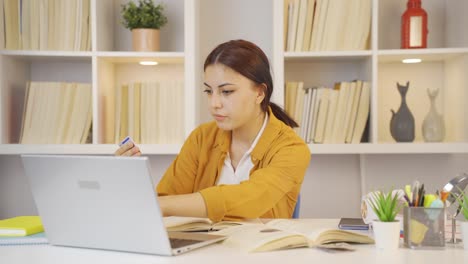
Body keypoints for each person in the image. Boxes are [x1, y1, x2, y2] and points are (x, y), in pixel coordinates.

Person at [115, 39, 310, 222]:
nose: (214, 104)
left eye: (226, 92)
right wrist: (133, 182)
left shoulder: (292, 149)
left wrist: (160, 205)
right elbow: (166, 199)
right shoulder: (202, 138)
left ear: (259, 92)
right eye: (209, 91)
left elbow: (250, 199)